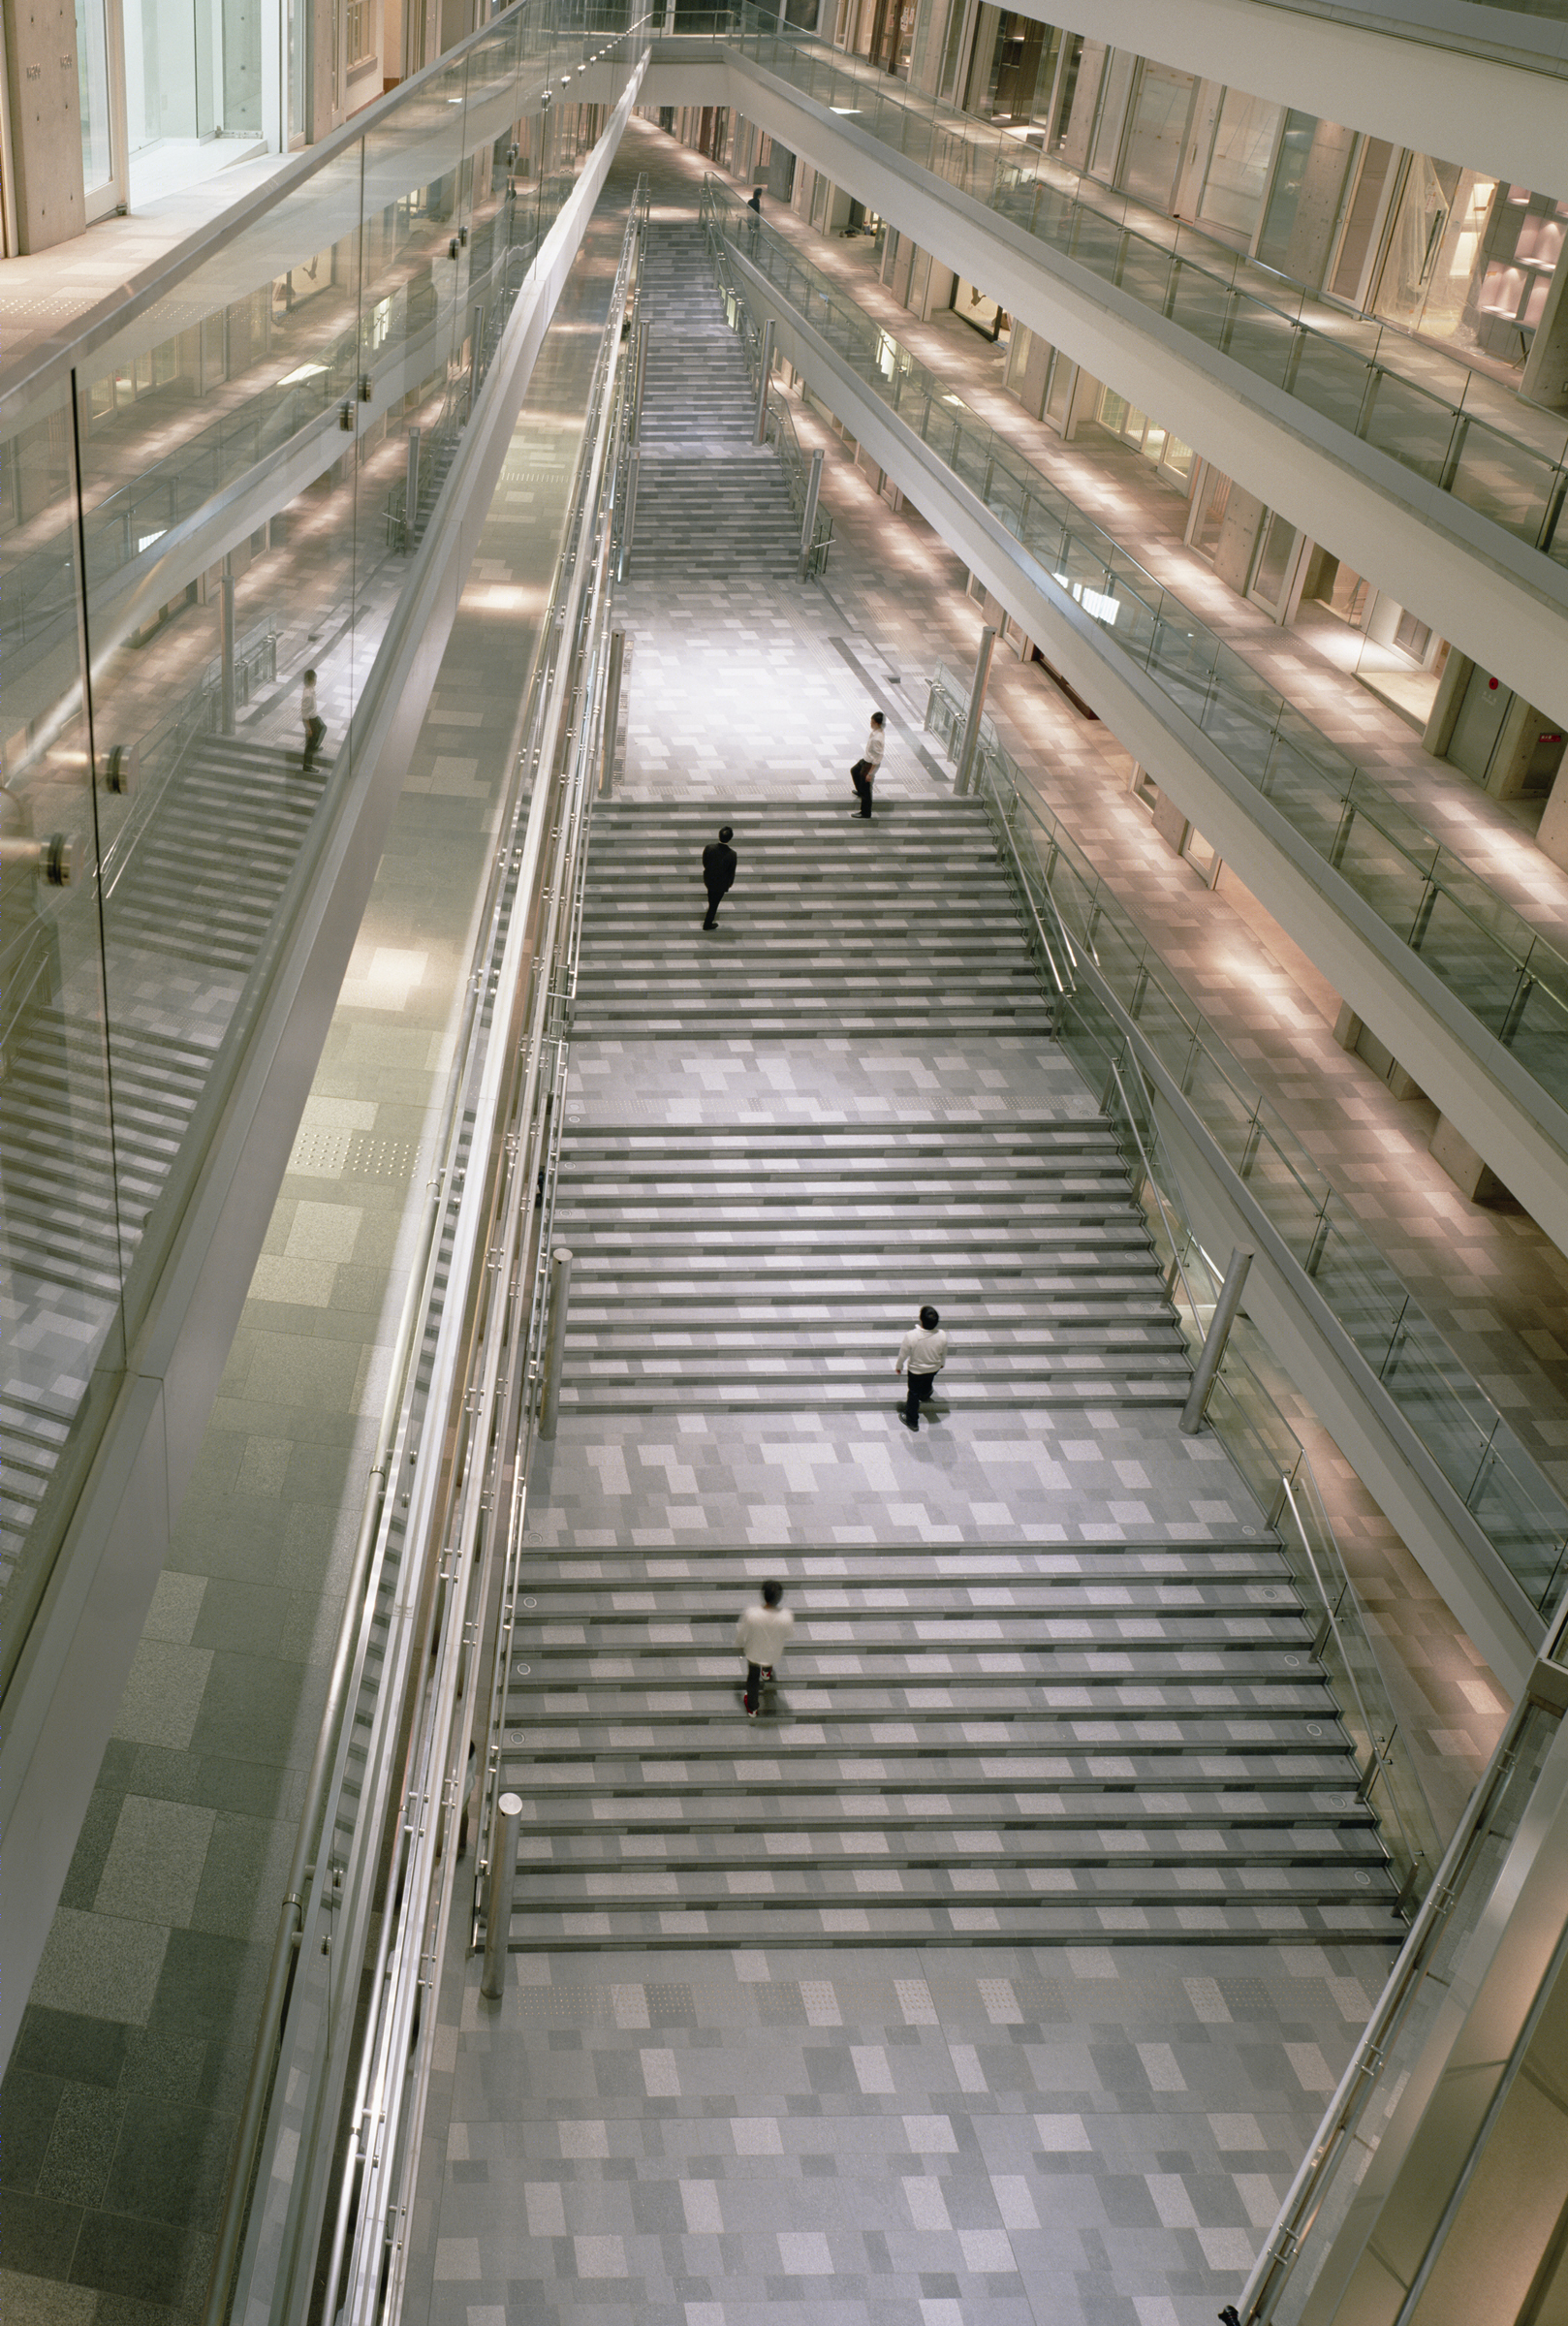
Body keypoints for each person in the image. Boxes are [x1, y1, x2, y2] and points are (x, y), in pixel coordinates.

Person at [737, 1579, 794, 1716]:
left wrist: (739, 1645)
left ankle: (753, 1707)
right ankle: (767, 1673)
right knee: (768, 1662)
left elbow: (742, 1633)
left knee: (753, 1678)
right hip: (773, 1652)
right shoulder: (786, 1616)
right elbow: (789, 1634)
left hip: (754, 1652)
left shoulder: (752, 1614)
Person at [895, 1304, 947, 1430]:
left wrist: (899, 1365)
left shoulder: (912, 1335)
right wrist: (942, 1363)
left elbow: (903, 1354)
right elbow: (944, 1352)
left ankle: (912, 1420)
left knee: (913, 1393)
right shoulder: (942, 1335)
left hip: (916, 1370)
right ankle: (925, 1394)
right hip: (933, 1367)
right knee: (928, 1381)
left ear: (921, 1319)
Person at [702, 824, 737, 930]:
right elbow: (732, 871)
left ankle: (710, 909)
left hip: (709, 879)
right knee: (714, 904)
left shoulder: (709, 848)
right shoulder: (732, 854)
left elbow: (705, 862)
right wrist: (730, 882)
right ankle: (707, 924)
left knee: (711, 897)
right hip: (721, 883)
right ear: (730, 839)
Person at [850, 710, 885, 819]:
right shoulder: (877, 732)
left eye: (872, 722)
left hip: (869, 764)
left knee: (866, 788)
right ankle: (860, 791)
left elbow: (878, 757)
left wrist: (870, 773)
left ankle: (865, 812)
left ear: (876, 723)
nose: (870, 723)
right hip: (865, 759)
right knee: (854, 771)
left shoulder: (877, 738)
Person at [300, 668, 327, 771]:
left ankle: (315, 746)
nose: (316, 681)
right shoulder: (307, 694)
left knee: (323, 728)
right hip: (310, 719)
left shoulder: (310, 689)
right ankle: (307, 765)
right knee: (310, 741)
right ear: (311, 680)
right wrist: (309, 729)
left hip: (314, 716)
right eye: (315, 679)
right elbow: (305, 713)